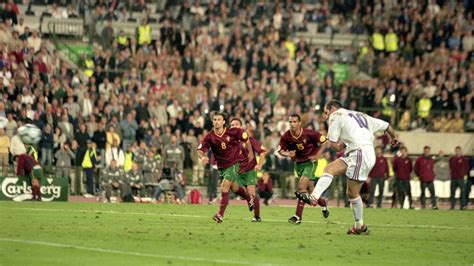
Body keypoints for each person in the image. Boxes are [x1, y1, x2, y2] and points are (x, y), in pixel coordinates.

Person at [296, 100, 398, 235]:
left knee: (353, 193)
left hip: (359, 153)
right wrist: (394, 137)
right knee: (329, 169)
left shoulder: (336, 115)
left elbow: (333, 144)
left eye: (326, 112)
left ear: (333, 109)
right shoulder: (361, 115)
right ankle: (315, 197)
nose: (326, 116)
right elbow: (387, 126)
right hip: (358, 152)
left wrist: (337, 146)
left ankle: (359, 225)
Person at [197, 111, 254, 223]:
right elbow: (199, 150)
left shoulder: (232, 132)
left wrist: (250, 153)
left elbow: (246, 137)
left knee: (224, 187)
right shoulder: (209, 137)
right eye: (215, 120)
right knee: (234, 188)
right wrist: (202, 157)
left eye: (219, 119)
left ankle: (220, 215)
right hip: (222, 166)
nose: (217, 122)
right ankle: (249, 198)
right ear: (212, 122)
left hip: (233, 164)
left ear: (223, 122)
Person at [278, 114, 328, 224]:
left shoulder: (309, 133)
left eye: (294, 122)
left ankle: (297, 217)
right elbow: (280, 150)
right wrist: (287, 154)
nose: (292, 124)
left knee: (301, 187)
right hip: (298, 164)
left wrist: (318, 155)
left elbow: (325, 141)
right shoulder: (286, 136)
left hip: (310, 162)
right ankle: (323, 203)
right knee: (311, 192)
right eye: (290, 122)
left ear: (300, 123)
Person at [230, 118, 267, 222]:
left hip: (249, 170)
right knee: (242, 194)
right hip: (237, 171)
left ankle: (257, 216)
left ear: (241, 127)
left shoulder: (249, 140)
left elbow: (263, 151)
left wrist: (259, 164)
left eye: (236, 124)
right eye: (232, 125)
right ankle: (249, 199)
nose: (234, 126)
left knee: (251, 193)